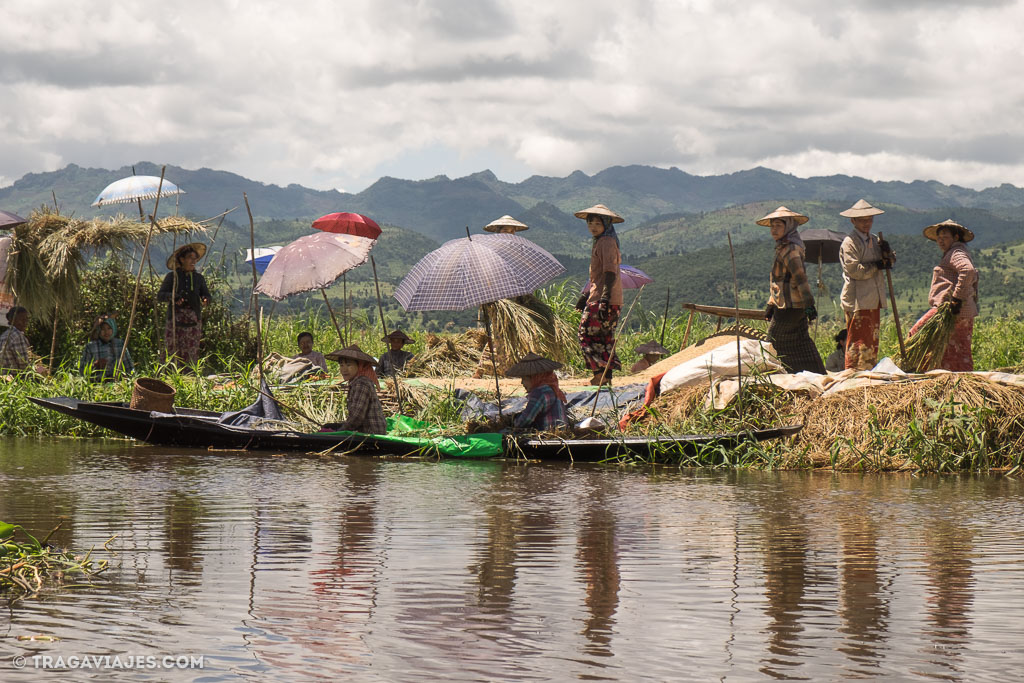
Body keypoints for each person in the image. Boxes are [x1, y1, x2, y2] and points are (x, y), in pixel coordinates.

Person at [758, 206, 826, 374]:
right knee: (800, 341)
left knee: (773, 341)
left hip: (792, 306)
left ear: (788, 226)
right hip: (787, 305)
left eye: (778, 226)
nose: (774, 229)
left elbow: (800, 278)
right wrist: (771, 304)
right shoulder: (783, 247)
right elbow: (778, 281)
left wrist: (809, 304)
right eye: (772, 226)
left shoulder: (791, 249)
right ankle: (816, 374)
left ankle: (774, 375)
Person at [907, 219, 979, 371]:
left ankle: (919, 370)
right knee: (958, 348)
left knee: (917, 333)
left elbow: (968, 271)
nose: (940, 240)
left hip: (950, 309)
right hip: (964, 312)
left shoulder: (956, 252)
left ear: (956, 238)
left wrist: (956, 299)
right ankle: (959, 379)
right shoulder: (955, 252)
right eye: (939, 237)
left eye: (945, 236)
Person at [838, 199, 895, 370]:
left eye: (869, 219)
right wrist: (876, 266)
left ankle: (867, 372)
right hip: (858, 299)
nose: (867, 223)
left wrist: (887, 253)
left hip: (873, 297)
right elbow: (854, 270)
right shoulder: (850, 243)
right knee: (858, 341)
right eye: (862, 220)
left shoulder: (875, 240)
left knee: (871, 340)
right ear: (853, 221)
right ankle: (854, 374)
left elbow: (888, 262)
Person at [574, 203, 624, 385]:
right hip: (605, 297)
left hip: (604, 299)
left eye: (597, 223)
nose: (593, 227)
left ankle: (599, 375)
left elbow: (609, 272)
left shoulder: (606, 242)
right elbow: (599, 276)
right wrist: (585, 296)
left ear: (606, 224)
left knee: (586, 334)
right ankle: (604, 378)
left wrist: (603, 299)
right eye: (590, 223)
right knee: (604, 337)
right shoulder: (603, 241)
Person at [157, 242, 211, 368]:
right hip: (175, 321)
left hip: (193, 322)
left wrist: (205, 299)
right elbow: (160, 295)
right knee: (172, 349)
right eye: (190, 258)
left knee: (191, 351)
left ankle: (189, 378)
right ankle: (170, 376)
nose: (193, 261)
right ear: (182, 259)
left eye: (195, 258)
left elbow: (207, 295)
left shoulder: (198, 278)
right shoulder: (172, 277)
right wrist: (173, 297)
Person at [326, 345, 387, 434]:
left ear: (360, 365)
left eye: (348, 365)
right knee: (329, 426)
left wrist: (340, 431)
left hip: (371, 434)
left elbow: (356, 417)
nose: (344, 369)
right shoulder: (355, 382)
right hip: (364, 430)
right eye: (341, 365)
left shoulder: (362, 383)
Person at [504, 352, 568, 431]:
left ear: (534, 378)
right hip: (560, 434)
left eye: (524, 379)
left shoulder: (539, 392)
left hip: (545, 436)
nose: (522, 383)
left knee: (500, 436)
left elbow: (525, 420)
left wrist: (512, 422)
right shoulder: (553, 389)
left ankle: (485, 442)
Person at [79, 315, 133, 380]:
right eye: (103, 329)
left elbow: (130, 368)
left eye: (109, 328)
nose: (106, 332)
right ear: (99, 330)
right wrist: (94, 365)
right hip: (97, 385)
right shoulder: (90, 347)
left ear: (113, 328)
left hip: (118, 385)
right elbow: (82, 371)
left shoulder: (120, 344)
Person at [0, 306, 47, 375]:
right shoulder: (17, 336)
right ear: (12, 320)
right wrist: (41, 370)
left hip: (5, 379)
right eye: (21, 319)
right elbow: (25, 364)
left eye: (26, 319)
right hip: (17, 379)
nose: (25, 322)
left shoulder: (4, 335)